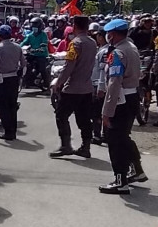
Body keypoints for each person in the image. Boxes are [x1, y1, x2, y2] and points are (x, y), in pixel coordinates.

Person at [99, 19, 146, 194]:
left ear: (113, 34)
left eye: (108, 34)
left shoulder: (117, 54)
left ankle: (121, 180)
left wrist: (106, 111)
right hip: (132, 96)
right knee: (124, 137)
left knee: (115, 141)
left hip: (120, 100)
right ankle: (137, 170)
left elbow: (114, 84)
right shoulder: (131, 47)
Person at [50, 15, 98, 158]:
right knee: (84, 118)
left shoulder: (75, 43)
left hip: (72, 88)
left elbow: (69, 66)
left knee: (61, 115)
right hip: (87, 87)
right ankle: (86, 146)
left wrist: (58, 83)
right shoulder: (92, 42)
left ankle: (66, 146)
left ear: (74, 26)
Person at [0, 25, 24, 140]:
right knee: (12, 105)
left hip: (1, 80)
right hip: (14, 79)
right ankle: (13, 131)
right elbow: (23, 65)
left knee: (3, 106)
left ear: (0, 35)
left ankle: (8, 132)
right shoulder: (18, 47)